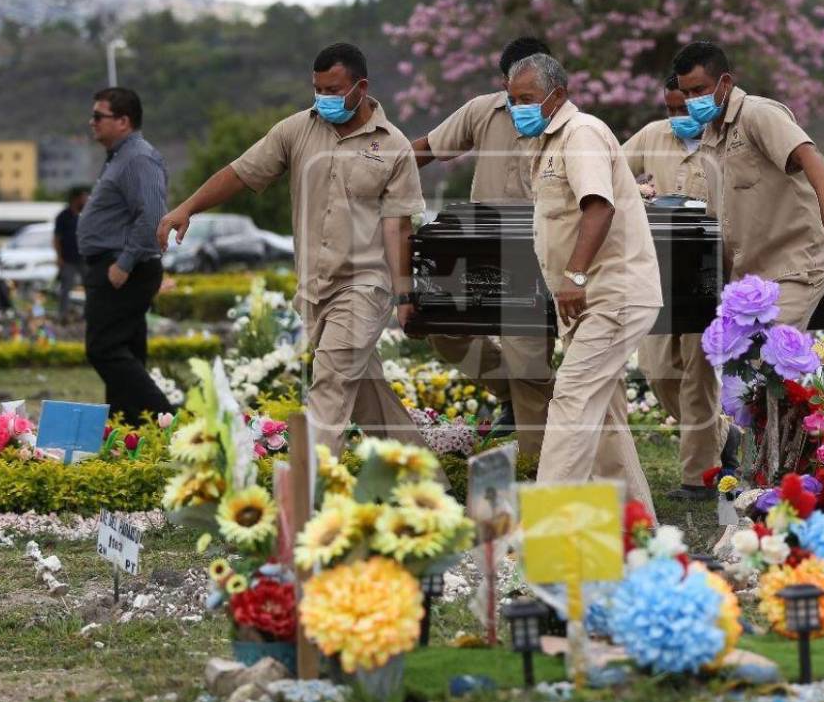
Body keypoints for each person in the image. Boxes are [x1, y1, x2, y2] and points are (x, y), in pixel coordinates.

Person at [158, 43, 433, 456]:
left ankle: (308, 495)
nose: (324, 98)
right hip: (314, 288)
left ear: (361, 87)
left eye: (334, 89)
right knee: (367, 393)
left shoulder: (393, 147)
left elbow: (398, 228)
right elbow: (242, 171)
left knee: (331, 382)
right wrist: (187, 207)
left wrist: (405, 295)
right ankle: (422, 476)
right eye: (317, 89)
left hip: (364, 286)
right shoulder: (296, 130)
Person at [510, 52, 658, 514]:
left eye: (527, 99)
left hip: (613, 294)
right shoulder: (546, 142)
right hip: (585, 300)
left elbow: (599, 206)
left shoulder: (583, 133)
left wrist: (573, 274)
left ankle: (547, 525)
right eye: (512, 99)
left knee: (572, 399)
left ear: (557, 96)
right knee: (604, 414)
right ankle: (640, 530)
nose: (518, 108)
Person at [411, 36, 558, 455]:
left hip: (535, 256)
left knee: (529, 359)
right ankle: (509, 390)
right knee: (441, 326)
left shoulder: (568, 123)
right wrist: (379, 170)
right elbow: (428, 148)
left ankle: (536, 470)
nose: (520, 99)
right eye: (513, 89)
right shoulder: (483, 110)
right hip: (478, 250)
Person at [673, 41, 824, 329]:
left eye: (700, 90)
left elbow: (808, 154)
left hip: (794, 268)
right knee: (742, 369)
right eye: (686, 93)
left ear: (725, 82)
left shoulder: (758, 114)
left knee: (765, 359)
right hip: (748, 282)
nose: (692, 100)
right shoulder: (709, 139)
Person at [621, 76, 732, 500]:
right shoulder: (652, 136)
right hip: (660, 270)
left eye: (684, 107)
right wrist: (637, 190)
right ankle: (722, 438)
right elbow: (611, 171)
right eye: (671, 109)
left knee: (697, 374)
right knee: (656, 371)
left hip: (708, 272)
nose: (678, 116)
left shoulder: (725, 143)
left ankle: (699, 477)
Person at [77, 87, 171, 423]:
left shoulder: (137, 158)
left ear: (123, 121)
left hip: (123, 270)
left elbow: (151, 216)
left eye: (98, 116)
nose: (92, 122)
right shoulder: (122, 157)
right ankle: (131, 428)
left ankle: (168, 419)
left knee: (103, 348)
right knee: (126, 350)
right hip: (117, 267)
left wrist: (124, 263)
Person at [53, 185, 90, 322]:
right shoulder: (63, 216)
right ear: (76, 199)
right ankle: (63, 315)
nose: (86, 200)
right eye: (83, 197)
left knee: (90, 287)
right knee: (66, 288)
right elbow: (57, 238)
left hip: (84, 259)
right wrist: (59, 257)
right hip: (68, 259)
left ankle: (88, 314)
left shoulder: (86, 215)